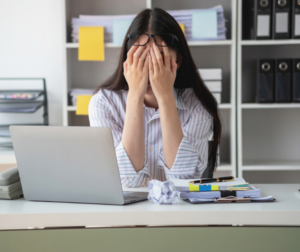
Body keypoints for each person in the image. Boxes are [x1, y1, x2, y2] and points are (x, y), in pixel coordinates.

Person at [89, 7, 222, 187]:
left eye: (160, 60)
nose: (151, 71)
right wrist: (135, 95)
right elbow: (126, 181)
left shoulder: (198, 104)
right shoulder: (103, 103)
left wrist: (166, 96)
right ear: (127, 61)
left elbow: (183, 179)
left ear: (178, 61)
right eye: (141, 58)